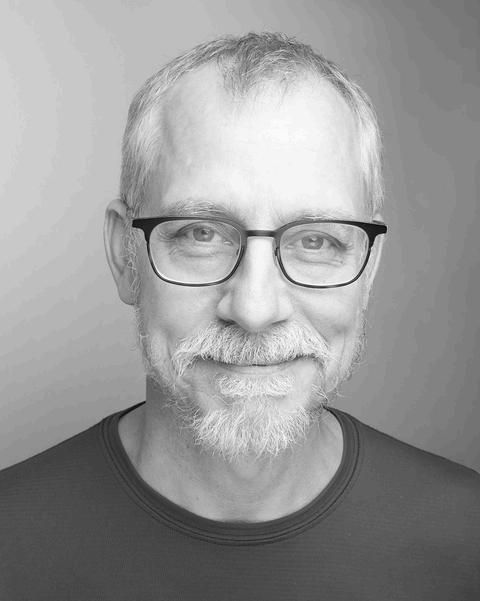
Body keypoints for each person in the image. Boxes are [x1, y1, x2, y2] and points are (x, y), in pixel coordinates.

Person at [1, 32, 479, 600]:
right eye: (200, 234)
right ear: (125, 255)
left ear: (369, 269)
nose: (254, 310)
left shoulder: (467, 539)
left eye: (317, 241)